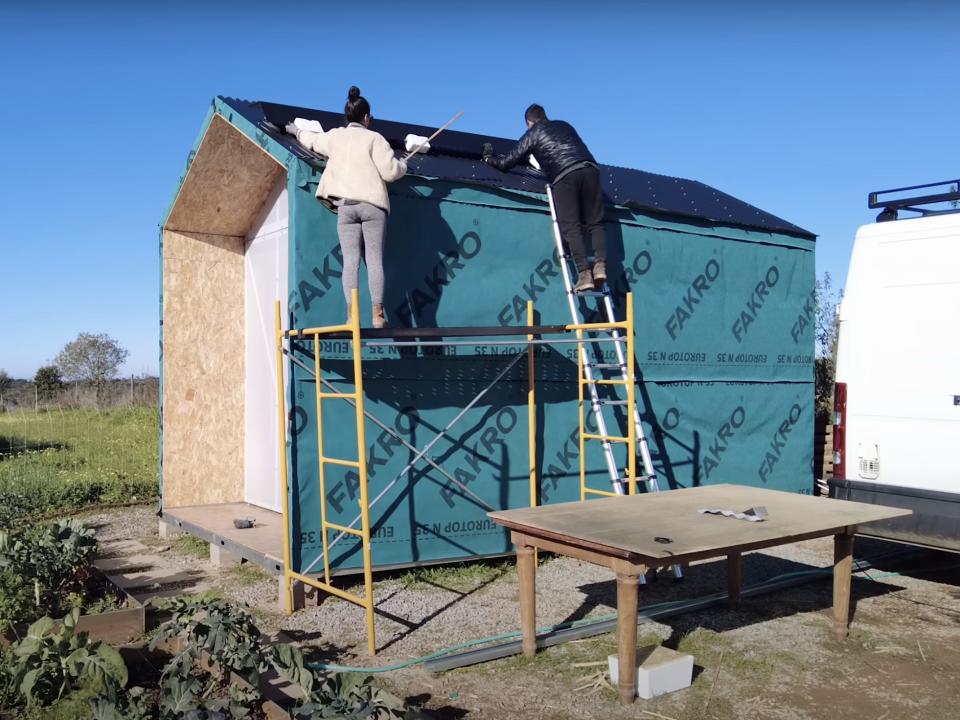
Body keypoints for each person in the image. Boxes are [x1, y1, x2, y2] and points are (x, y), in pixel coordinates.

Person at [286, 86, 406, 328]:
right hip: (373, 206)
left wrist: (296, 131)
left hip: (346, 206)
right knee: (373, 260)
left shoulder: (336, 136)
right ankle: (377, 315)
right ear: (367, 118)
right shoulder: (375, 139)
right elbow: (391, 172)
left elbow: (312, 141)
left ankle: (352, 316)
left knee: (350, 261)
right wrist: (402, 164)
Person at [482, 104, 606, 293]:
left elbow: (508, 162)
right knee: (596, 222)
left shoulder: (533, 133)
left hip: (566, 175)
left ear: (529, 123)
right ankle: (600, 266)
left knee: (571, 227)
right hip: (590, 169)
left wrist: (488, 158)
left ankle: (584, 275)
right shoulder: (565, 125)